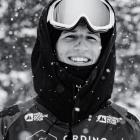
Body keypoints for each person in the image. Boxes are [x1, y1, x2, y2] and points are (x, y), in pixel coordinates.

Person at [0, 0, 140, 139]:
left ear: (103, 50)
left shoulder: (129, 129)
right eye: (70, 36)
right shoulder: (8, 125)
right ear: (52, 47)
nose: (81, 46)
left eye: (91, 38)